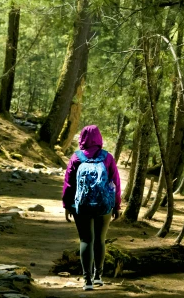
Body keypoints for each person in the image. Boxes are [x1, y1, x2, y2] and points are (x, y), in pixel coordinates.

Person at [62, 124, 122, 291]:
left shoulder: (76, 157)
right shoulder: (107, 157)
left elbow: (68, 184)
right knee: (100, 240)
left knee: (86, 240)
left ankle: (87, 280)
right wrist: (116, 205)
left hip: (81, 206)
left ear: (82, 138)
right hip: (104, 206)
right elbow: (115, 183)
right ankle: (98, 276)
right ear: (99, 138)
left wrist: (67, 205)